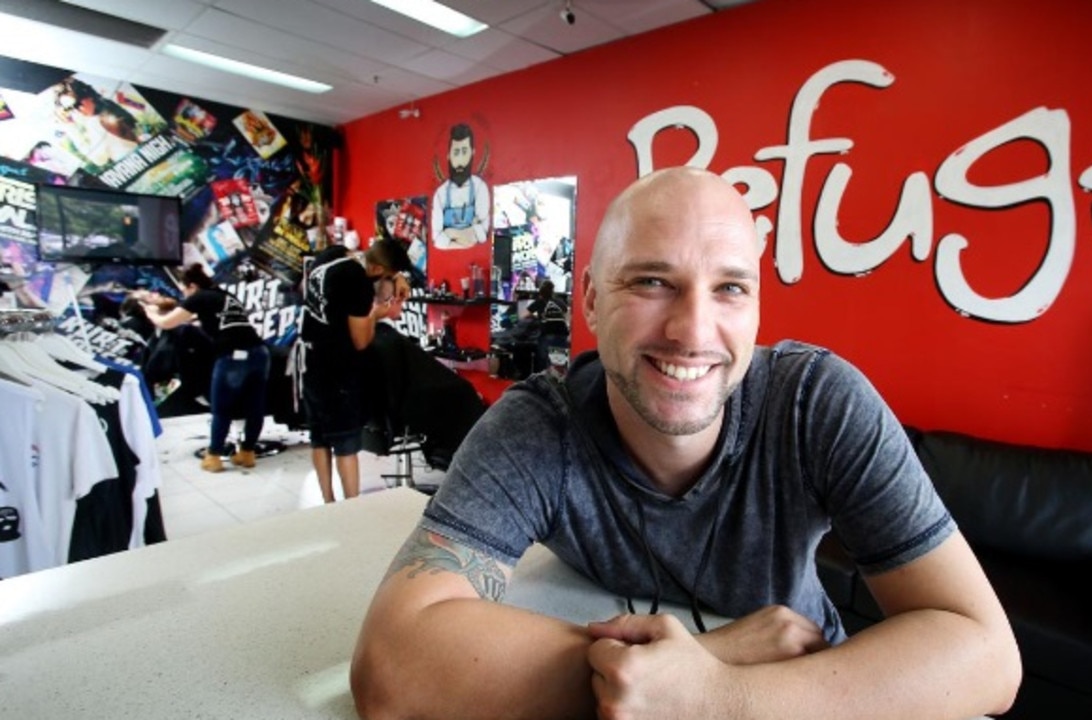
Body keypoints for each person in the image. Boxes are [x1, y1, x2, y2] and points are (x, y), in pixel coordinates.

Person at [350, 167, 1020, 720]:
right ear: (588, 300)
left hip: (809, 689)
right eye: (651, 282)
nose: (692, 330)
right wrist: (712, 659)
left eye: (730, 288)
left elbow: (988, 656)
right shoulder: (540, 428)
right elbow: (391, 664)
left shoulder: (817, 403)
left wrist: (723, 698)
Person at [299, 239, 411, 503]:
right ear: (376, 270)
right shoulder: (358, 282)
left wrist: (398, 277)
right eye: (387, 278)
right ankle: (351, 505)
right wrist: (377, 314)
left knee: (320, 439)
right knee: (345, 442)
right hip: (337, 370)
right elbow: (361, 341)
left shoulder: (332, 256)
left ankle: (328, 501)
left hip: (309, 361)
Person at [143, 265, 269, 472]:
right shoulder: (225, 295)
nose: (184, 295)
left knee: (222, 408)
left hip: (233, 355)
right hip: (259, 353)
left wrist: (152, 313)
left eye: (184, 290)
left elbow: (167, 323)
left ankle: (214, 456)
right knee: (254, 406)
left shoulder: (199, 297)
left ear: (192, 286)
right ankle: (247, 453)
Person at [430, 123, 491, 249]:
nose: (460, 160)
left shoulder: (480, 187)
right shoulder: (440, 194)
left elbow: (482, 235)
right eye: (456, 152)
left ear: (472, 153)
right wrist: (469, 233)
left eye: (464, 152)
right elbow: (437, 240)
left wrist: (449, 233)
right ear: (449, 156)